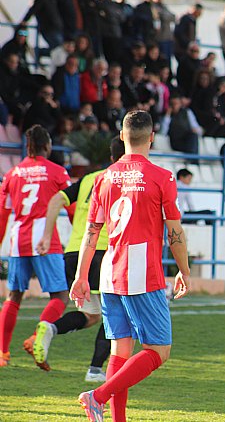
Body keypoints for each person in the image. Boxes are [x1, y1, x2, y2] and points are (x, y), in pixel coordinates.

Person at [72, 110, 190, 421]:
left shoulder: (103, 177)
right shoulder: (162, 177)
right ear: (151, 137)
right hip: (142, 269)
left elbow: (91, 232)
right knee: (158, 351)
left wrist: (81, 276)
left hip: (110, 268)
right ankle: (96, 396)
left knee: (120, 351)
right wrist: (185, 270)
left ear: (123, 136)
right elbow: (174, 231)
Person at [31, 138, 126, 381]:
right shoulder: (120, 179)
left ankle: (50, 328)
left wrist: (46, 235)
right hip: (102, 251)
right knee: (113, 314)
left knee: (91, 315)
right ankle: (95, 370)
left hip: (74, 252)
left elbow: (56, 200)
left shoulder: (88, 179)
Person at [0, 126, 71, 369]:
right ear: (47, 146)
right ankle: (36, 338)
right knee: (60, 295)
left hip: (18, 240)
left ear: (27, 145)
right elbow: (71, 208)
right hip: (45, 240)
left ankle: (3, 353)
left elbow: (2, 213)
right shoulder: (57, 172)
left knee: (14, 296)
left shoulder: (12, 174)